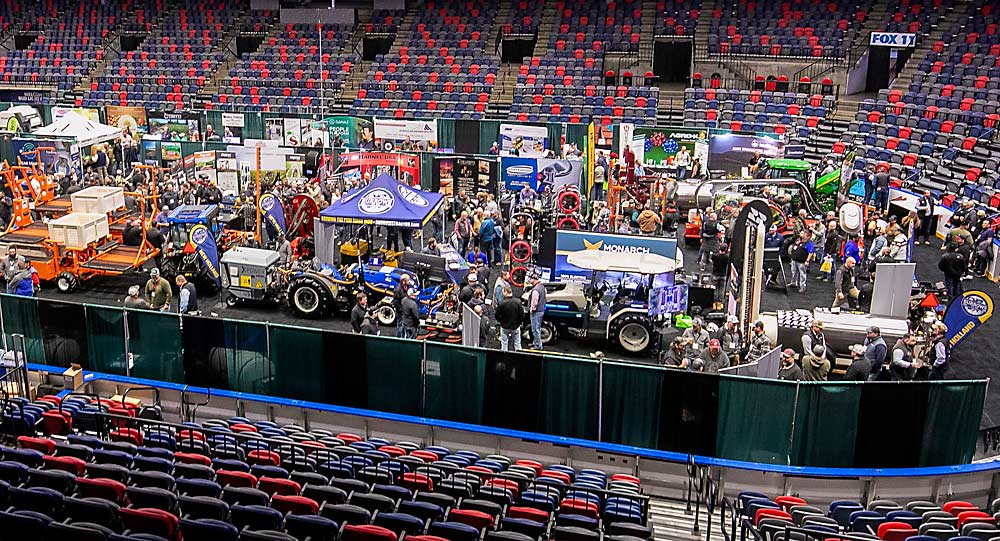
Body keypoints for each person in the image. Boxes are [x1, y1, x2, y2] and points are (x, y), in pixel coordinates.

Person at [495, 286, 523, 352]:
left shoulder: (502, 303)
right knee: (517, 344)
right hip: (515, 327)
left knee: (504, 344)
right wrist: (518, 323)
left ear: (505, 292)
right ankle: (519, 359)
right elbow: (522, 315)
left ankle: (504, 358)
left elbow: (497, 315)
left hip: (505, 327)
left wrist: (502, 322)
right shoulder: (518, 302)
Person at [528, 272, 547, 350]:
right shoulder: (542, 287)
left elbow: (534, 303)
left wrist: (531, 310)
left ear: (534, 279)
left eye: (531, 279)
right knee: (537, 328)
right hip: (541, 310)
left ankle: (538, 346)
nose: (530, 280)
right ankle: (535, 343)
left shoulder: (536, 290)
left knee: (535, 329)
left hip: (536, 312)